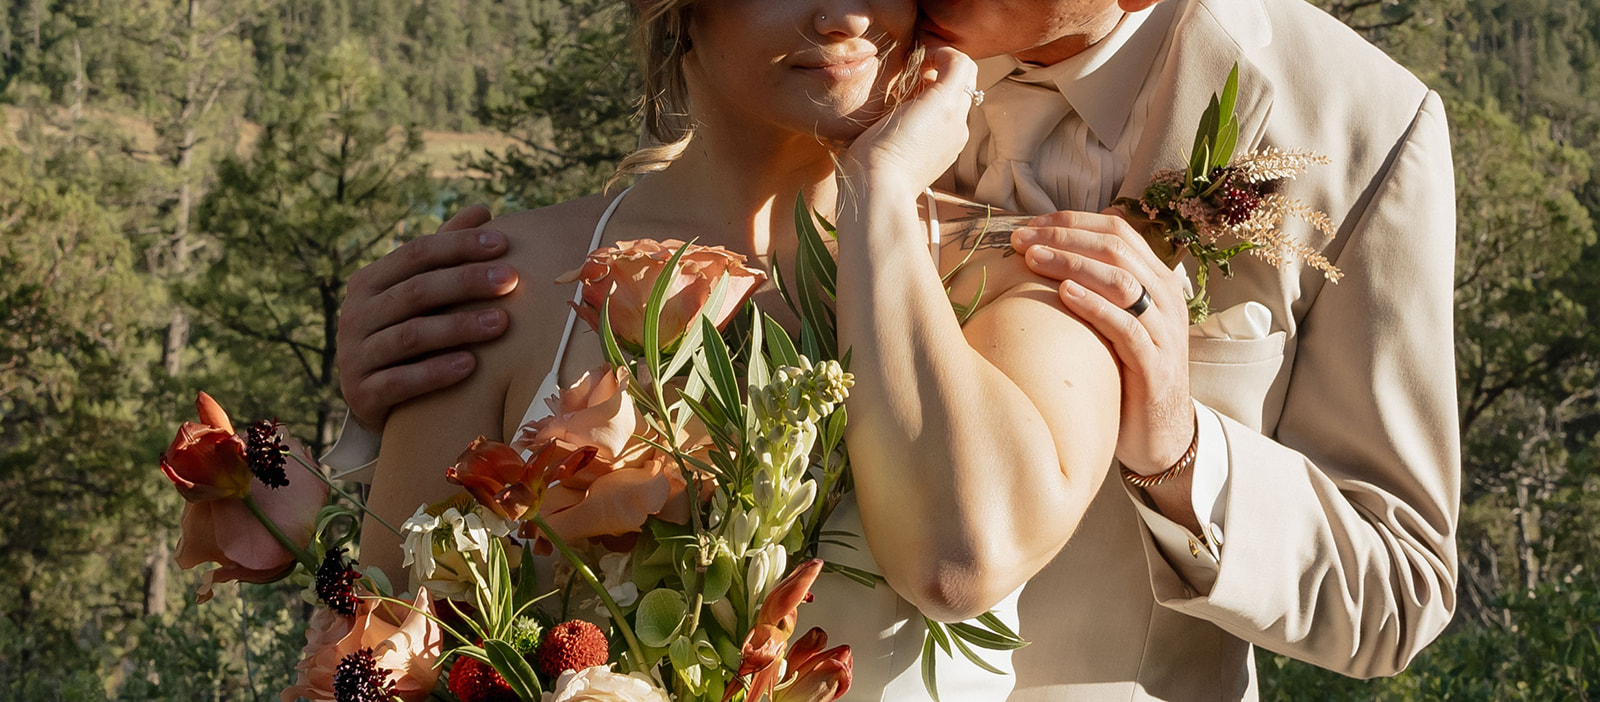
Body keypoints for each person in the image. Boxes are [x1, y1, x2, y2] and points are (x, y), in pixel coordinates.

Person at [333, 0, 1461, 698]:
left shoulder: (1355, 125)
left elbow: (1400, 588)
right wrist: (392, 380)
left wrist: (1177, 454)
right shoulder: (862, 56)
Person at [353, 0, 1121, 698]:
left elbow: (959, 564)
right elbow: (387, 657)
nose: (844, 15)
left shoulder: (1031, 274)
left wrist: (879, 192)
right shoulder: (503, 291)